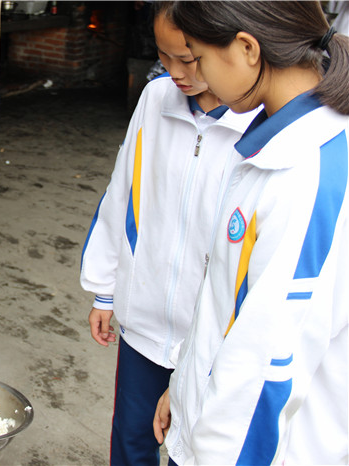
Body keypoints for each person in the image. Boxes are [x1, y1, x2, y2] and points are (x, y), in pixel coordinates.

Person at [153, 2, 349, 464]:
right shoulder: (279, 143)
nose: (194, 72)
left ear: (247, 48)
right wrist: (184, 393)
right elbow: (232, 303)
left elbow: (267, 368)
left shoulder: (308, 174)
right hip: (211, 428)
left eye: (197, 57)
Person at [79, 3, 259, 465]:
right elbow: (123, 193)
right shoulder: (155, 99)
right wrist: (104, 290)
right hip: (144, 320)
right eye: (165, 56)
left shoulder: (258, 126)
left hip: (210, 337)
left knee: (190, 450)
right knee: (132, 443)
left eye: (189, 58)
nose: (176, 72)